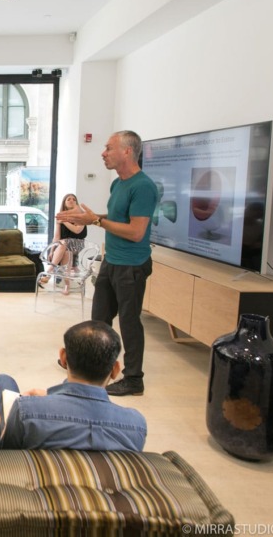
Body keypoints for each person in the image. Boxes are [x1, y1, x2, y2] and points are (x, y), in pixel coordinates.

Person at [56, 131, 158, 396]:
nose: (103, 153)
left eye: (108, 148)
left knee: (129, 322)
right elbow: (115, 218)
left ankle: (134, 379)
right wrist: (87, 217)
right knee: (99, 320)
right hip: (111, 262)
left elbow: (136, 232)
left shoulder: (143, 186)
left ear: (127, 151)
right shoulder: (117, 184)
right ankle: (93, 368)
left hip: (131, 266)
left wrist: (96, 221)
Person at [0, 321, 147, 451]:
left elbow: (6, 455)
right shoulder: (135, 425)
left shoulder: (27, 411)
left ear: (63, 358)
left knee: (3, 381)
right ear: (115, 370)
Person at [41, 194, 88, 294]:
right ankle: (67, 285)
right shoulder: (60, 217)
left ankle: (49, 270)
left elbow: (77, 230)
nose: (71, 201)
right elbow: (57, 236)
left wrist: (64, 221)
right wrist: (52, 251)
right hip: (63, 245)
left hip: (78, 243)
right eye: (68, 199)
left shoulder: (81, 216)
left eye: (74, 199)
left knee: (64, 243)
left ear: (76, 203)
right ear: (64, 203)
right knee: (66, 251)